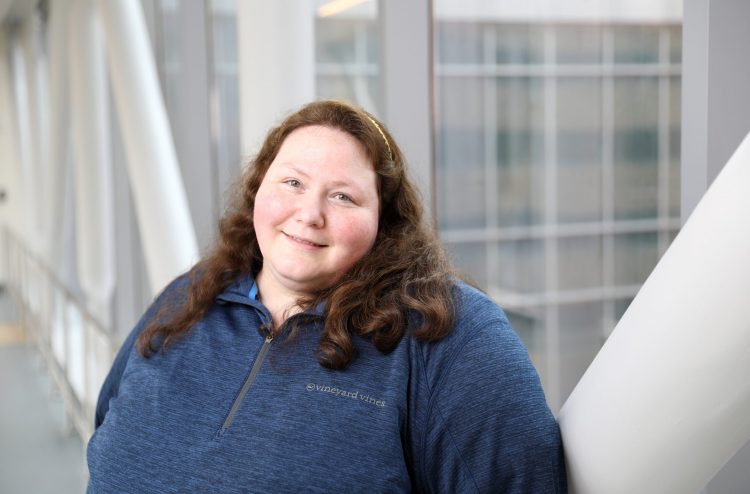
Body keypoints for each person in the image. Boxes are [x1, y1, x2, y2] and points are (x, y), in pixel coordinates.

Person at [86, 100, 567, 493]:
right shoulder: (190, 295)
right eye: (292, 182)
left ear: (384, 222)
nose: (309, 214)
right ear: (258, 188)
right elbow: (107, 422)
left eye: (343, 196)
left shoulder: (448, 333)